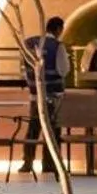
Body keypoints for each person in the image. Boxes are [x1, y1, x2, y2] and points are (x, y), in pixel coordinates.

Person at [19, 15, 67, 173]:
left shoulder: (29, 43)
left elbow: (23, 71)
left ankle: (27, 162)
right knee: (52, 129)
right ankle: (49, 164)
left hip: (35, 95)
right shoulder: (57, 46)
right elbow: (63, 69)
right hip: (53, 95)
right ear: (59, 29)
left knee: (33, 128)